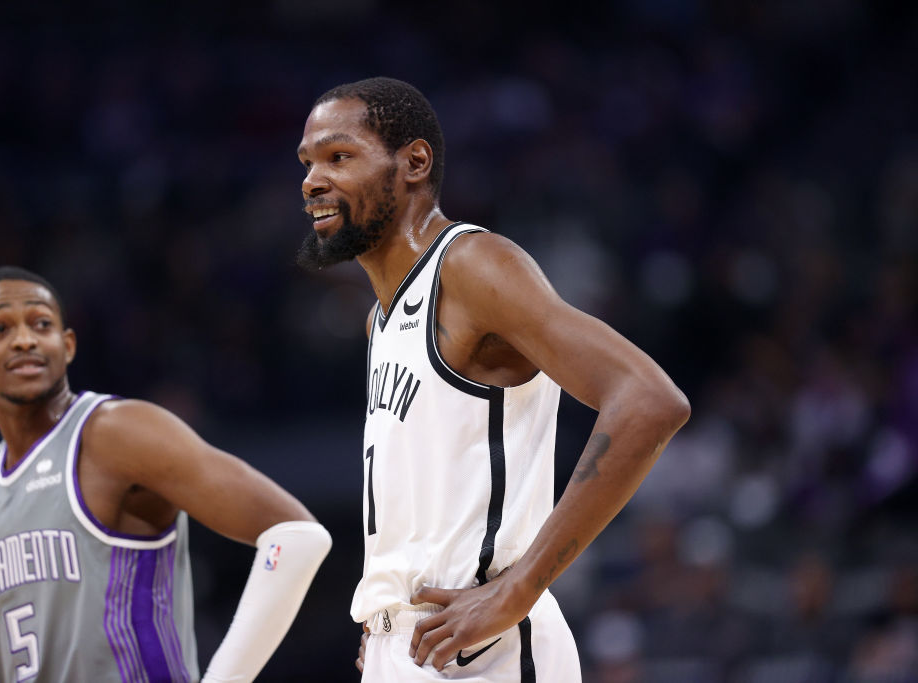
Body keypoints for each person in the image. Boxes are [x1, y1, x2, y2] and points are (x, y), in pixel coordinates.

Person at [295, 77, 691, 681]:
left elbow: (649, 400)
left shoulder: (471, 267)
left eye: (339, 156)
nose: (312, 180)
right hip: (412, 647)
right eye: (307, 162)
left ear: (414, 162)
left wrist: (522, 587)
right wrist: (386, 619)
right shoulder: (382, 318)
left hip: (488, 654)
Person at [0, 266, 332, 682]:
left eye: (42, 324)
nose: (25, 339)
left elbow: (296, 536)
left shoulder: (116, 432)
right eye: (0, 329)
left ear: (68, 344)